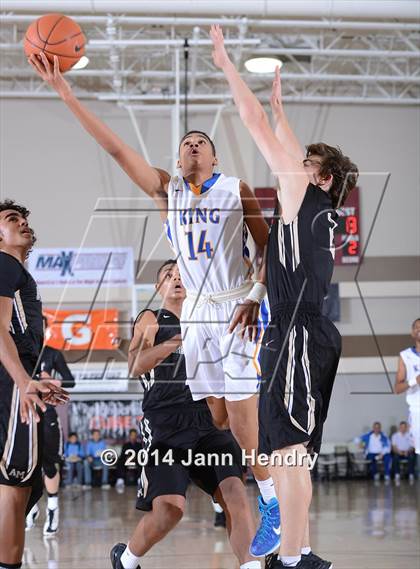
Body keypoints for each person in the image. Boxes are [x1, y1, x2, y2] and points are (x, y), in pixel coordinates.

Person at [29, 52, 280, 555]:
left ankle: (271, 497)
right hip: (198, 315)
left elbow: (268, 248)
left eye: (201, 142)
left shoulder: (237, 189)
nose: (192, 145)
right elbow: (119, 151)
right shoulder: (169, 191)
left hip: (234, 306)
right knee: (221, 417)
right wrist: (67, 95)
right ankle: (239, 467)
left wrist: (256, 295)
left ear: (214, 159)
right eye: (186, 143)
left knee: (242, 416)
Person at [210, 24, 358, 569]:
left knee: (291, 456)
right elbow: (283, 142)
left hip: (295, 338)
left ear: (319, 176)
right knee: (294, 458)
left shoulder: (303, 196)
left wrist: (227, 66)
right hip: (309, 335)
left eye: (305, 161)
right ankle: (300, 553)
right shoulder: (321, 211)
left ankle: (293, 559)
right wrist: (281, 109)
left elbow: (252, 126)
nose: (294, 162)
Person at [111, 260, 263, 569]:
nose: (177, 279)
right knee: (170, 509)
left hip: (210, 418)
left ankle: (250, 566)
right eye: (169, 275)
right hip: (166, 422)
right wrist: (180, 339)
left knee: (235, 494)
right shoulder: (151, 319)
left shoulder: (209, 317)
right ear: (158, 287)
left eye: (181, 274)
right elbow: (135, 365)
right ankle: (126, 559)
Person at [0, 200, 68, 569]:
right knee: (16, 482)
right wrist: (24, 380)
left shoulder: (16, 271)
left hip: (17, 378)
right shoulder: (5, 264)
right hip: (11, 383)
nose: (23, 223)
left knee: (30, 483)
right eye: (13, 220)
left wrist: (35, 378)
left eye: (25, 218)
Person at [25, 316, 76, 535]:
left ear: (45, 329)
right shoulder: (20, 353)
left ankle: (53, 508)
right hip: (24, 412)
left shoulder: (52, 354)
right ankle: (31, 504)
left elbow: (70, 380)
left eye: (40, 326)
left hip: (47, 415)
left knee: (48, 463)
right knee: (25, 462)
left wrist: (53, 381)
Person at [394, 319, 420, 466]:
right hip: (417, 410)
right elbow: (397, 389)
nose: (419, 329)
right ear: (412, 332)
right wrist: (415, 381)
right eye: (416, 327)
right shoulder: (405, 356)